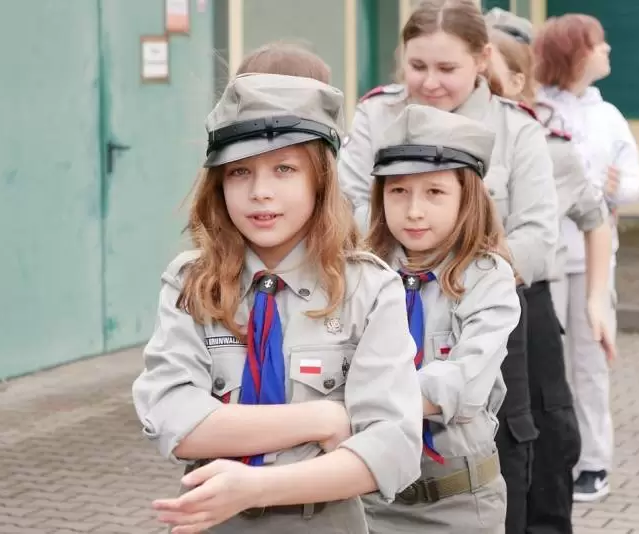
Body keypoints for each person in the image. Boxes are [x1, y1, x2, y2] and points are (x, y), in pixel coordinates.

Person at [131, 73, 424, 534]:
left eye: (284, 169)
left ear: (320, 180)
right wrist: (322, 417)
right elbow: (173, 419)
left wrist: (255, 487)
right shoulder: (192, 283)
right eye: (239, 172)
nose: (259, 192)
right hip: (212, 521)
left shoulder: (368, 290)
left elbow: (393, 450)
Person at [337, 2, 558, 530]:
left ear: (482, 60)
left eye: (446, 68)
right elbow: (345, 205)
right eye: (418, 67)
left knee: (513, 437)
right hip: (384, 282)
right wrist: (395, 252)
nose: (430, 82)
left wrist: (460, 261)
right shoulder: (376, 114)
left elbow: (538, 236)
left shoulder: (515, 127)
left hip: (480, 299)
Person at [361, 103, 518, 533]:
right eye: (398, 191)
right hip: (367, 499)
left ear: (467, 198)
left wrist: (358, 405)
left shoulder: (488, 277)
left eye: (434, 192)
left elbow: (462, 382)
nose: (414, 210)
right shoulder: (361, 274)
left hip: (457, 501)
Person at [487, 9, 615, 532]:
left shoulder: (549, 147)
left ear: (519, 82)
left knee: (549, 433)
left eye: (487, 79)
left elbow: (595, 217)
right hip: (449, 306)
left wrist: (595, 300)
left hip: (529, 306)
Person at [533, 13, 639, 502]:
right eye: (599, 44)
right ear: (576, 53)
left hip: (595, 260)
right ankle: (551, 456)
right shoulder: (536, 110)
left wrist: (621, 188)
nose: (607, 51)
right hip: (546, 259)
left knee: (591, 362)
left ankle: (593, 461)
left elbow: (636, 178)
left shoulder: (609, 116)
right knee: (547, 364)